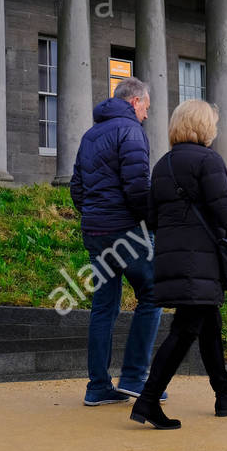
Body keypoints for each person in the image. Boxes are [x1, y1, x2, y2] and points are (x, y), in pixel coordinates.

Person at [132, 99, 227, 430]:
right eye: (214, 125)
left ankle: (225, 396)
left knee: (210, 327)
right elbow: (226, 209)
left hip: (173, 258)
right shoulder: (209, 161)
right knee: (184, 331)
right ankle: (148, 400)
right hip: (200, 261)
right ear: (203, 127)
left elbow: (151, 217)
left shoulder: (162, 164)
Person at [68, 77, 164, 406]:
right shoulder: (131, 131)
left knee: (103, 307)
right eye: (147, 108)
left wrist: (95, 214)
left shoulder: (90, 134)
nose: (147, 115)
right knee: (152, 295)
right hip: (126, 230)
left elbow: (76, 188)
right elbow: (138, 187)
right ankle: (135, 378)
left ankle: (97, 387)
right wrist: (151, 221)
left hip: (95, 230)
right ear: (135, 101)